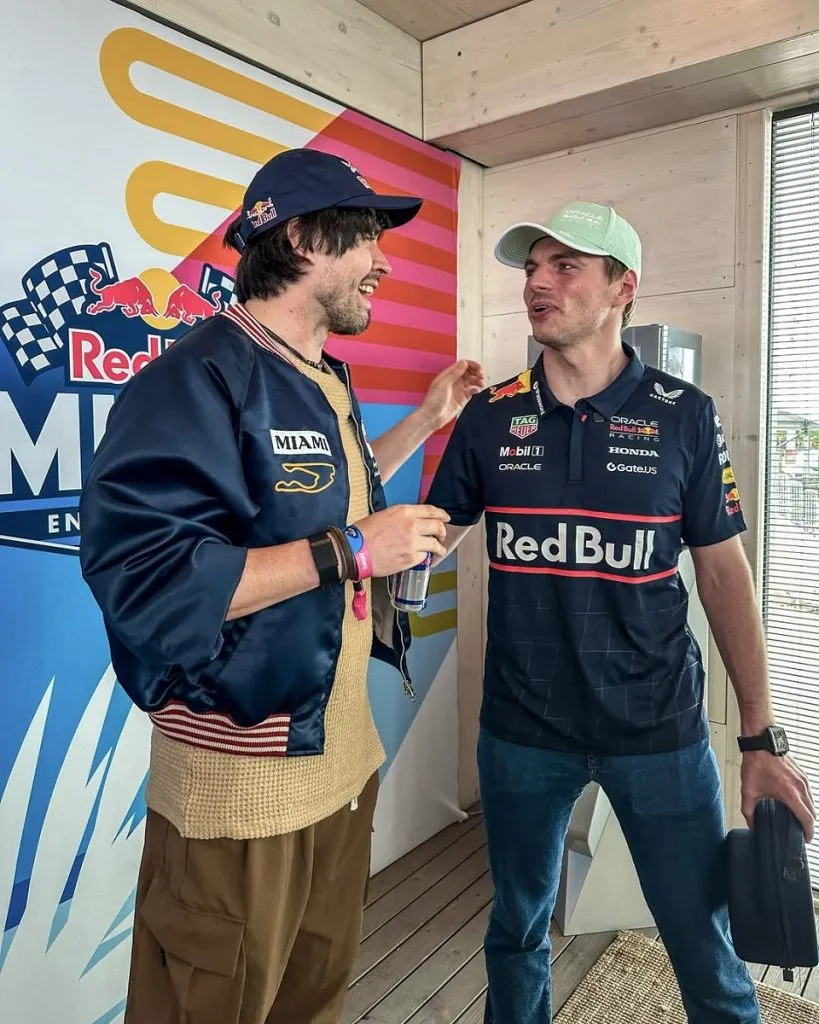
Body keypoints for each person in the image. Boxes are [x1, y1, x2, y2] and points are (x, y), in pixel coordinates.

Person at [78, 147, 485, 1024]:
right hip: (237, 791)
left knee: (313, 1002)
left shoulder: (321, 374)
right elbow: (149, 582)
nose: (383, 263)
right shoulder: (191, 379)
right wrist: (352, 550)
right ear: (301, 238)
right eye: (366, 237)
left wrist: (427, 418)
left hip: (342, 765)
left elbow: (334, 494)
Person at [426, 201, 816, 1024]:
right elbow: (424, 539)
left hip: (657, 730)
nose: (536, 282)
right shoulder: (489, 416)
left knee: (702, 943)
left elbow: (723, 574)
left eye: (564, 266)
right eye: (532, 266)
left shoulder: (684, 412)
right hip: (520, 729)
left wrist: (758, 737)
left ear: (621, 288)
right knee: (516, 929)